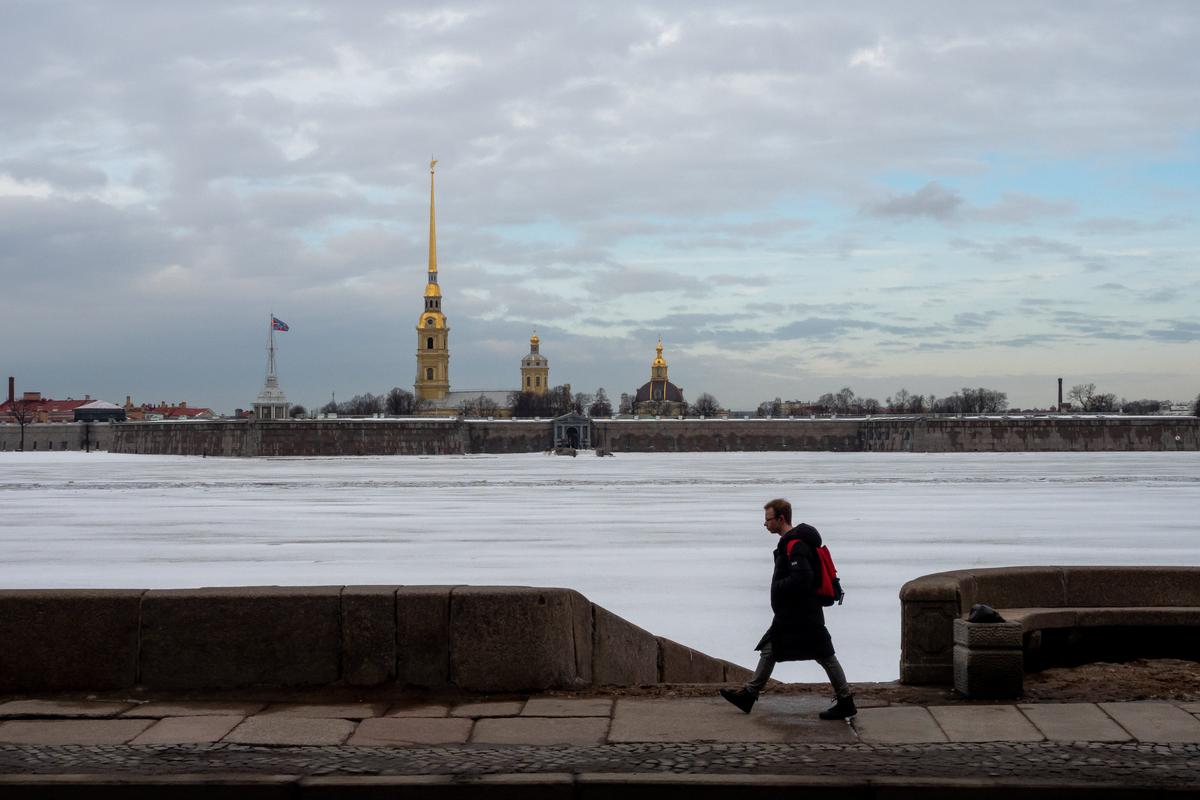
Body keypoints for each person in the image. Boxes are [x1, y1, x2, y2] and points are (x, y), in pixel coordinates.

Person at [719, 498, 856, 720]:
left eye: (768, 519)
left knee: (825, 655)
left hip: (802, 614)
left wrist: (777, 587)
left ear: (780, 519)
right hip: (794, 613)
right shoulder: (794, 543)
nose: (765, 524)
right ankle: (749, 694)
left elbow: (802, 579)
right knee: (771, 647)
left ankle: (846, 701)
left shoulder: (796, 545)